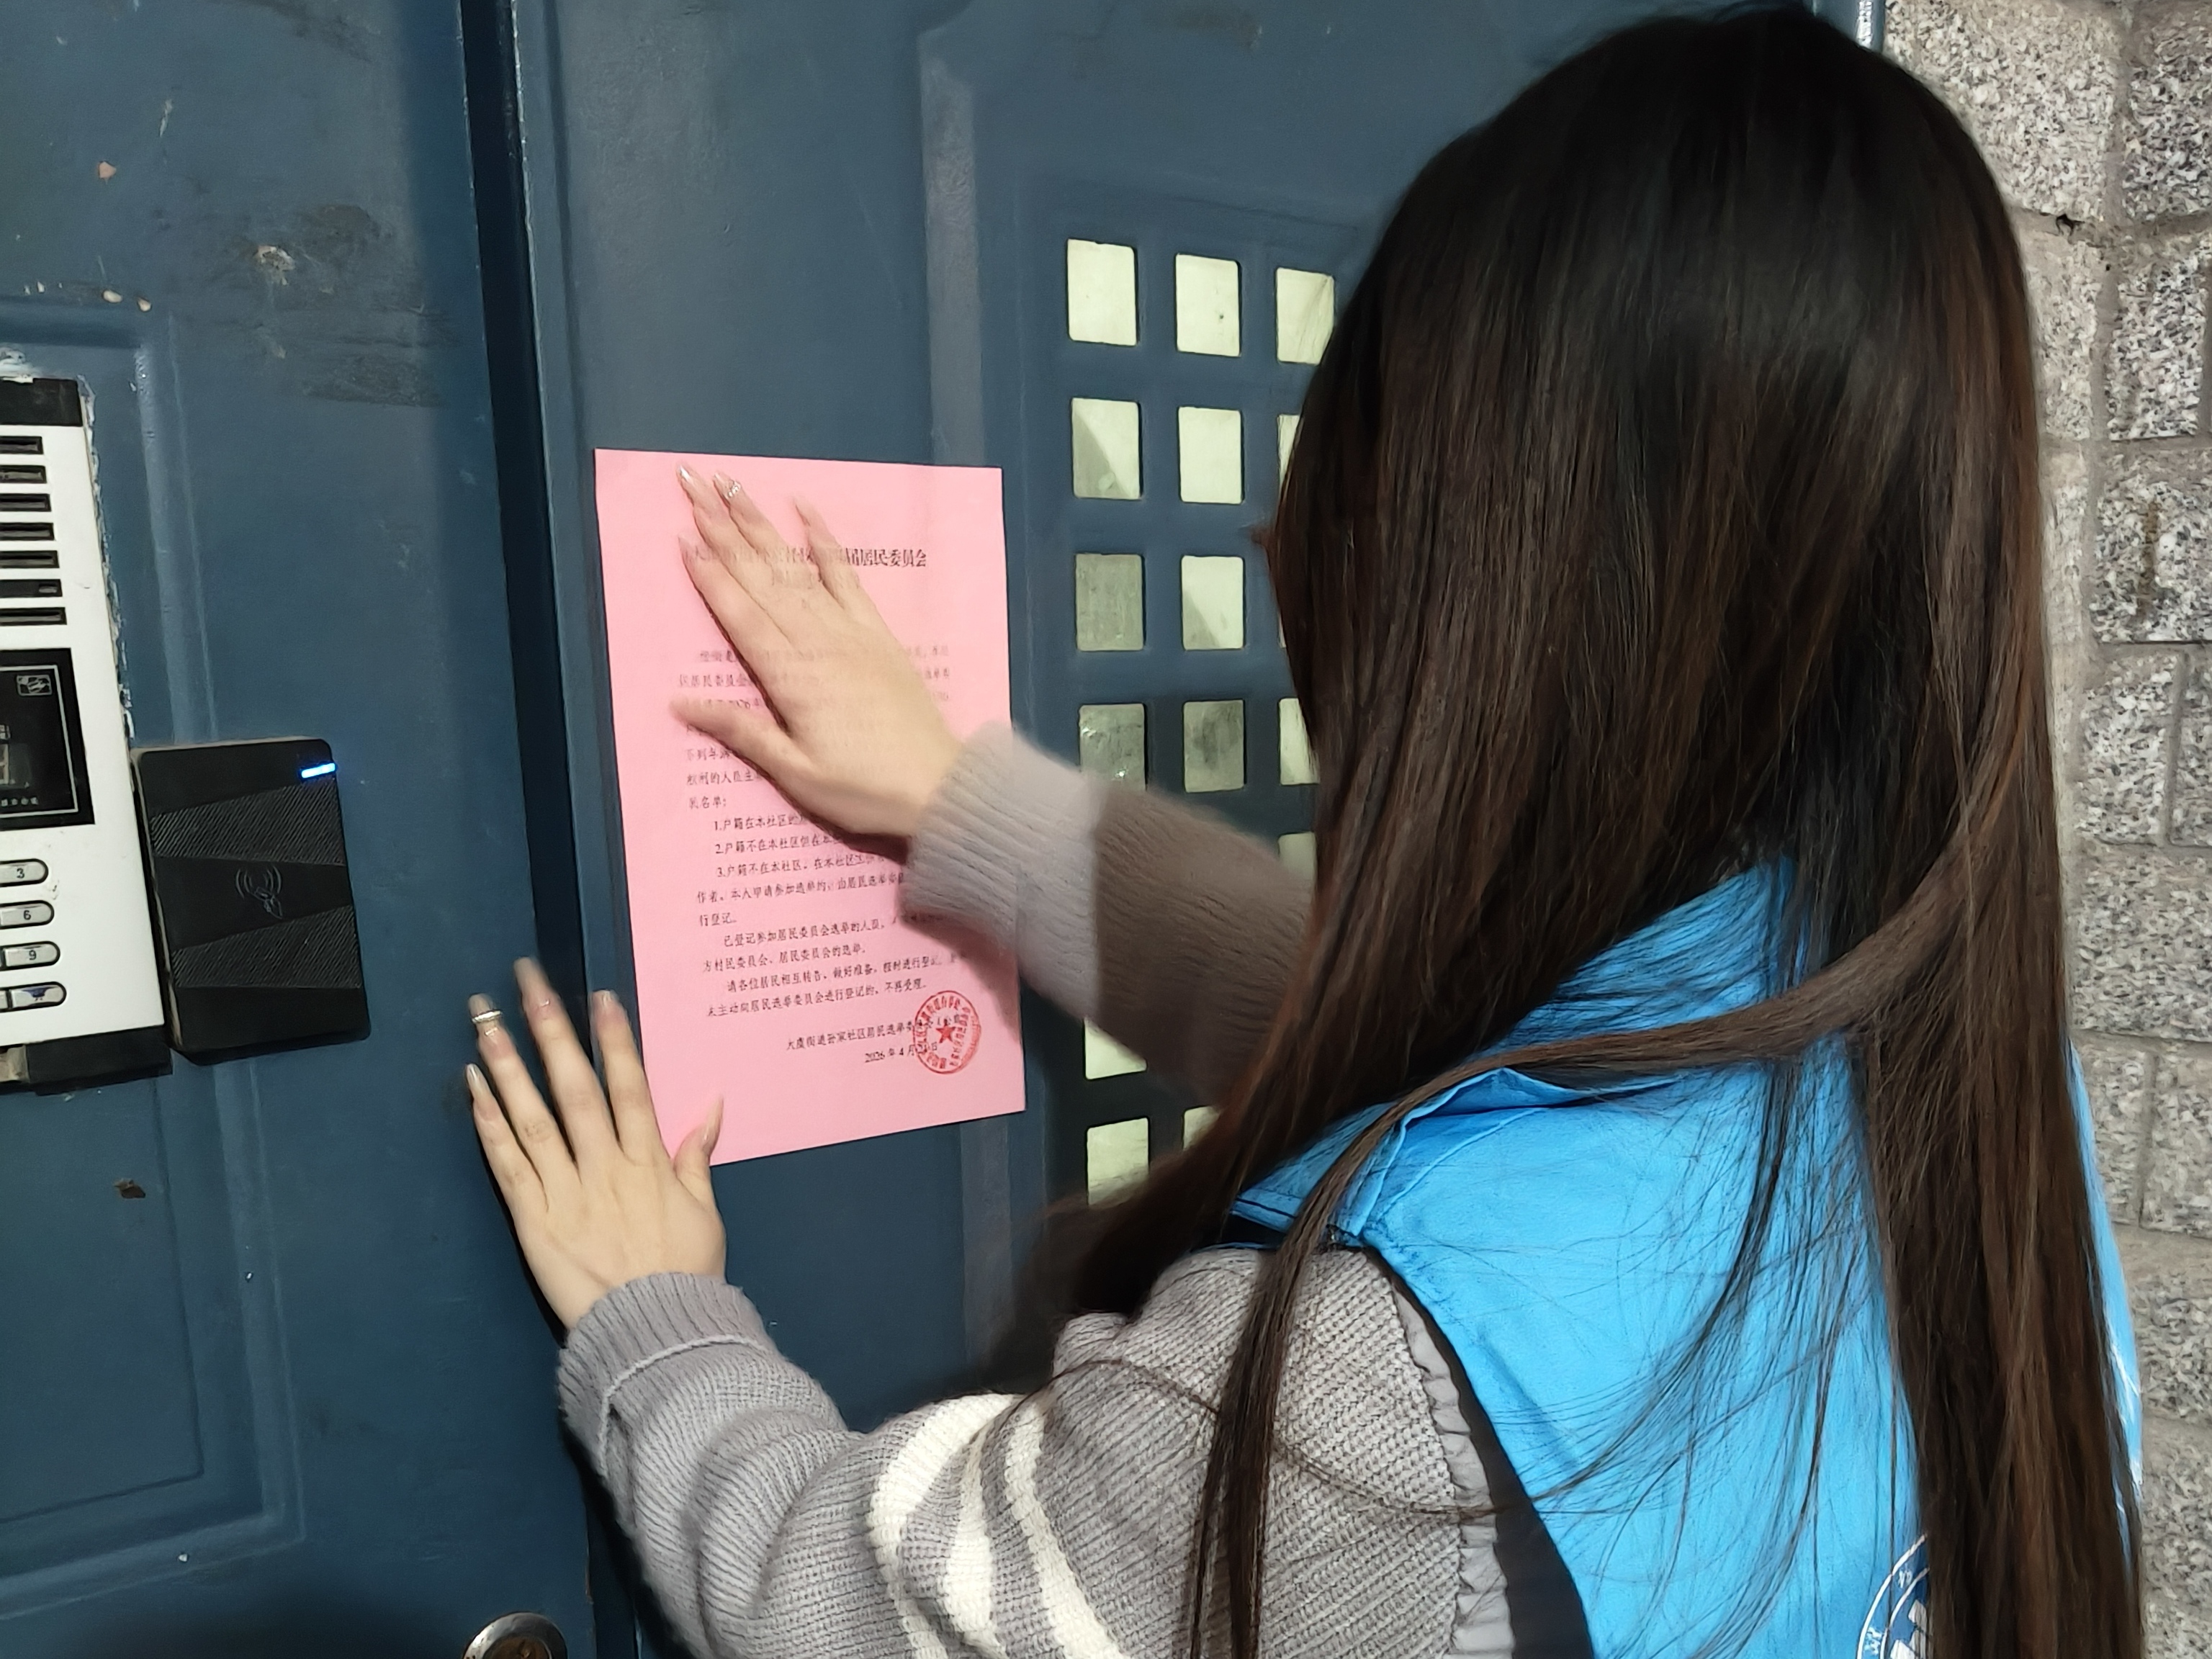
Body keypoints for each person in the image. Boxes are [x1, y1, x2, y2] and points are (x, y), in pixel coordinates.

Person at [460, 10, 2144, 1658]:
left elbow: (851, 1600)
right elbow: (1400, 1058)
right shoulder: (1953, 1094)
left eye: (1349, 497)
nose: (1273, 550)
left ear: (1503, 619)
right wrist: (961, 802)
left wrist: (652, 1320)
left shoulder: (1368, 1411)